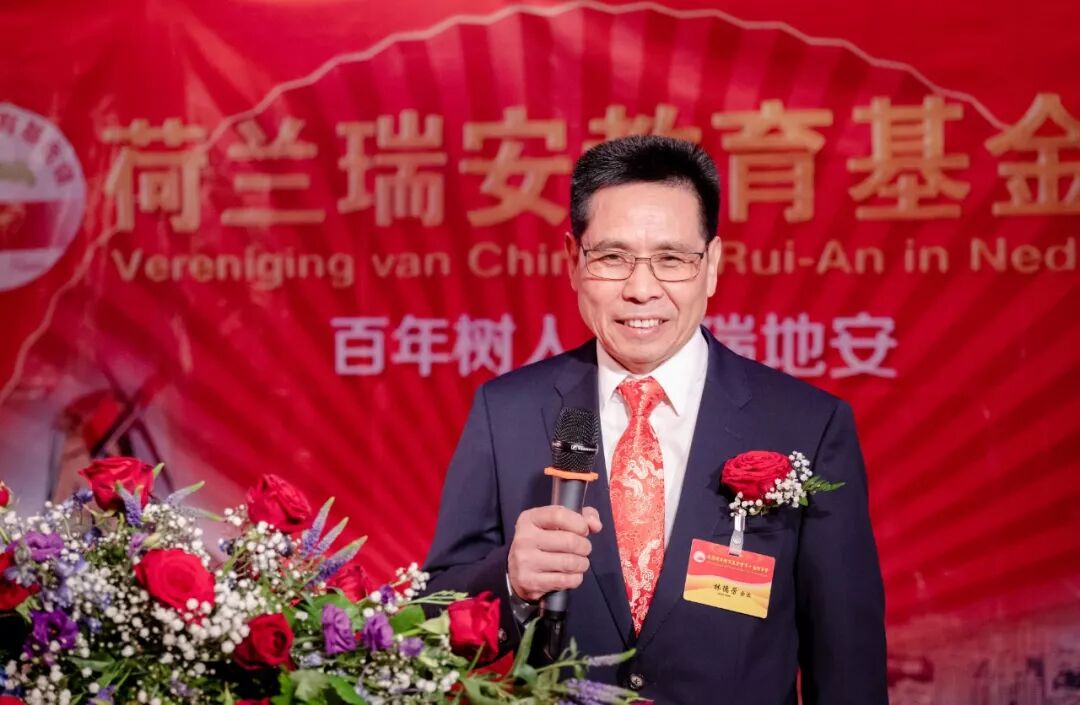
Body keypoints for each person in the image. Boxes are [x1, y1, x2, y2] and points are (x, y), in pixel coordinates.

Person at [424, 135, 887, 704]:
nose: (641, 290)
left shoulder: (806, 426)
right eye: (612, 258)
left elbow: (847, 664)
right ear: (573, 262)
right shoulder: (507, 413)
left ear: (711, 265)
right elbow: (428, 621)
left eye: (671, 259)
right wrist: (510, 581)